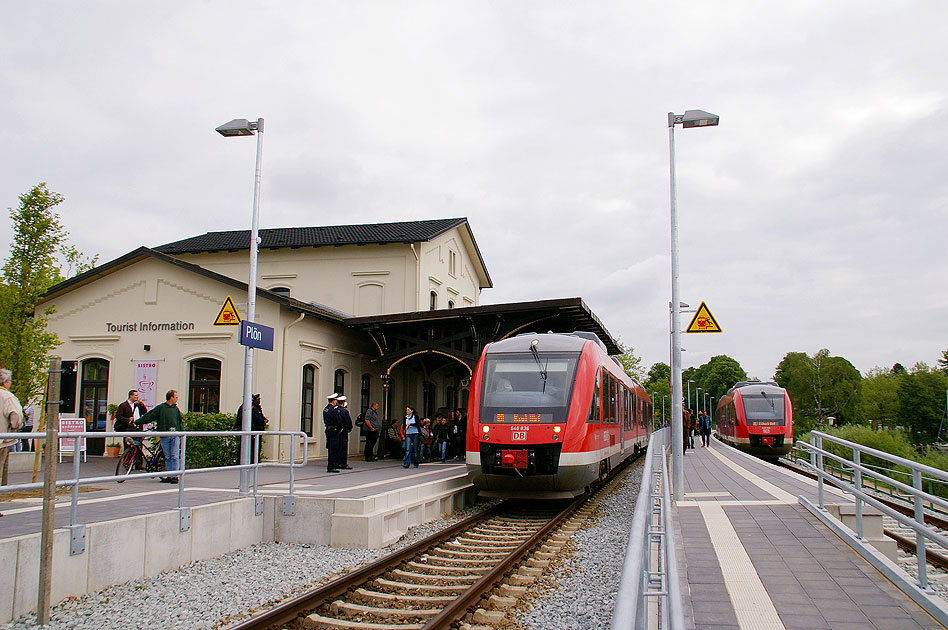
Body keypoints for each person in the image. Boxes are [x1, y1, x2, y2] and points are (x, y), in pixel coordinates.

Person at [135, 389, 184, 483]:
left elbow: (180, 422)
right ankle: (170, 475)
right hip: (164, 435)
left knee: (174, 455)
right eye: (176, 397)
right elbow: (149, 416)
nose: (177, 399)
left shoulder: (176, 409)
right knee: (168, 456)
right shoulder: (161, 408)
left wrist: (182, 433)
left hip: (175, 434)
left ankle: (175, 476)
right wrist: (137, 421)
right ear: (171, 397)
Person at [1, 369, 24, 503]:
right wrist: (15, 426)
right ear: (5, 383)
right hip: (1, 439)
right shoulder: (7, 397)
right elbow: (16, 416)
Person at [115, 390, 148, 468]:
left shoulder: (138, 405)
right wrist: (128, 420)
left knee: (139, 446)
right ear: (131, 396)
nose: (137, 397)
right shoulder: (123, 405)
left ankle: (139, 463)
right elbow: (119, 416)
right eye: (135, 395)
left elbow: (145, 412)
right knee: (128, 446)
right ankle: (127, 463)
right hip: (128, 429)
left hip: (138, 428)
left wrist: (142, 405)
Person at [235, 393, 269, 463]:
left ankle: (254, 461)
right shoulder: (249, 407)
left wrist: (264, 419)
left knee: (255, 447)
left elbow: (260, 416)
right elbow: (255, 417)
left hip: (256, 431)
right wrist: (263, 421)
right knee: (250, 447)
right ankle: (249, 461)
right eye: (258, 399)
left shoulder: (256, 407)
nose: (259, 400)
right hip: (253, 430)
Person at [323, 393, 342, 473]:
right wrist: (340, 428)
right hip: (334, 430)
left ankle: (330, 465)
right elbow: (338, 420)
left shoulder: (326, 409)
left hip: (328, 429)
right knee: (334, 449)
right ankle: (332, 466)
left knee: (330, 448)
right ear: (333, 401)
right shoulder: (333, 410)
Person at [336, 395, 353, 469]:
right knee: (343, 447)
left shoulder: (335, 410)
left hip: (336, 431)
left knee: (337, 447)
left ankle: (336, 462)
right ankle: (343, 463)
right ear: (343, 403)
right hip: (343, 431)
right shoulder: (344, 411)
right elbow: (348, 421)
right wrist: (349, 428)